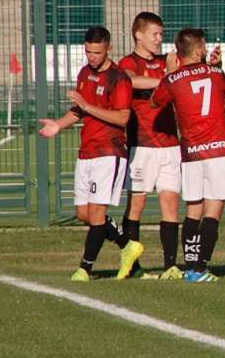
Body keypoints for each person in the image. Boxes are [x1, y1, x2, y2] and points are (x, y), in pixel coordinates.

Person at [39, 26, 143, 281]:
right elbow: (79, 110)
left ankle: (84, 269)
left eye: (96, 52)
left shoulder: (119, 78)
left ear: (108, 48)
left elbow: (122, 117)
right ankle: (128, 245)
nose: (91, 57)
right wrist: (58, 125)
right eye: (88, 51)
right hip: (87, 151)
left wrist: (88, 106)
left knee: (97, 214)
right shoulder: (85, 73)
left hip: (110, 151)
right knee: (84, 213)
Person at [150, 27, 225, 283]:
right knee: (213, 209)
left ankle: (190, 264)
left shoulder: (173, 79)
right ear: (200, 49)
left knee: (193, 209)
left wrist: (170, 72)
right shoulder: (215, 73)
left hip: (191, 151)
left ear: (178, 53)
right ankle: (200, 268)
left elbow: (155, 101)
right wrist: (218, 65)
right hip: (219, 151)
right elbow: (223, 92)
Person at [118, 12, 183, 280]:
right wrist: (168, 79)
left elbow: (184, 80)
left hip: (170, 143)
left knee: (171, 203)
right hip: (141, 145)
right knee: (137, 205)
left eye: (161, 34)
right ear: (139, 35)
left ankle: (171, 266)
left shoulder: (166, 62)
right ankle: (133, 266)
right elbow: (131, 81)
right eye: (155, 34)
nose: (159, 39)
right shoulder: (128, 62)